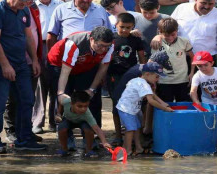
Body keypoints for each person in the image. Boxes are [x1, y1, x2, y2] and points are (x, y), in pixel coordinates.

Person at [0, 0, 45, 153]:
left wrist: (34, 60)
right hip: (0, 64)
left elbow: (28, 36)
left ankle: (24, 138)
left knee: (27, 100)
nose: (24, 3)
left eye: (28, 0)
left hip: (21, 63)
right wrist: (5, 65)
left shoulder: (24, 10)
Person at [48, 27, 114, 128]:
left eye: (107, 46)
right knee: (65, 98)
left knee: (90, 96)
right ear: (92, 39)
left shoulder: (110, 45)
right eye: (101, 45)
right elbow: (65, 71)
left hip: (85, 65)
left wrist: (91, 89)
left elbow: (103, 69)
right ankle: (64, 130)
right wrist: (61, 93)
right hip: (59, 64)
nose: (104, 49)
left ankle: (92, 131)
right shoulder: (74, 43)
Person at [116, 63, 173, 156]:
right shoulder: (144, 85)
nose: (158, 80)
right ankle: (127, 150)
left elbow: (151, 94)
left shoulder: (137, 80)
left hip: (130, 108)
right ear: (147, 74)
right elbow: (151, 101)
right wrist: (164, 108)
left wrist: (162, 102)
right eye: (156, 77)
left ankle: (138, 147)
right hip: (127, 109)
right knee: (130, 129)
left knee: (137, 127)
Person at [108, 13, 146, 143]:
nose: (124, 30)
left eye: (128, 27)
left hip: (131, 76)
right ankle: (118, 135)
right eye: (122, 27)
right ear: (116, 25)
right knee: (116, 106)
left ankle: (137, 136)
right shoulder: (110, 38)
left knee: (135, 104)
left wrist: (143, 74)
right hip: (114, 76)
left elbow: (141, 57)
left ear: (133, 27)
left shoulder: (136, 39)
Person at [168, 0, 217, 68]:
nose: (207, 7)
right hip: (180, 57)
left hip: (206, 61)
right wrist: (159, 37)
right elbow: (168, 28)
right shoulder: (181, 9)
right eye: (203, 3)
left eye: (211, 4)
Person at [33, 0, 63, 132]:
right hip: (40, 46)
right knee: (40, 86)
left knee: (57, 84)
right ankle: (37, 122)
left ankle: (55, 121)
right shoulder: (32, 7)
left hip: (58, 46)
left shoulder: (61, 5)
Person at [46, 0, 111, 47]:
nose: (85, 0)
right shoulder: (61, 9)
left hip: (94, 55)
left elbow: (109, 33)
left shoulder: (100, 10)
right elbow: (52, 35)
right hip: (67, 54)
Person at [190, 51, 217, 150]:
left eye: (205, 65)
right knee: (210, 122)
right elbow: (193, 91)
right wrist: (196, 101)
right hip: (208, 102)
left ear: (212, 63)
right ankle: (212, 140)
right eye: (199, 66)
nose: (203, 68)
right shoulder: (198, 75)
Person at [56, 91, 111, 157]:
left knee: (89, 130)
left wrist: (104, 142)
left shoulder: (87, 114)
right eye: (79, 106)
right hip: (68, 120)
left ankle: (89, 150)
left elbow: (97, 129)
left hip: (82, 122)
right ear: (71, 103)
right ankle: (64, 149)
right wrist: (59, 113)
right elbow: (61, 103)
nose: (83, 109)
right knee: (61, 127)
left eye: (86, 106)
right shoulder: (66, 101)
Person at [152, 17, 194, 102]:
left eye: (173, 34)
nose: (170, 38)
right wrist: (153, 80)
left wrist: (191, 73)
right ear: (160, 32)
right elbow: (153, 63)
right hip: (164, 81)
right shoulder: (156, 43)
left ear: (177, 31)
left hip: (182, 80)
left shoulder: (184, 42)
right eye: (166, 35)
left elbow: (193, 57)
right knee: (166, 105)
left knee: (183, 105)